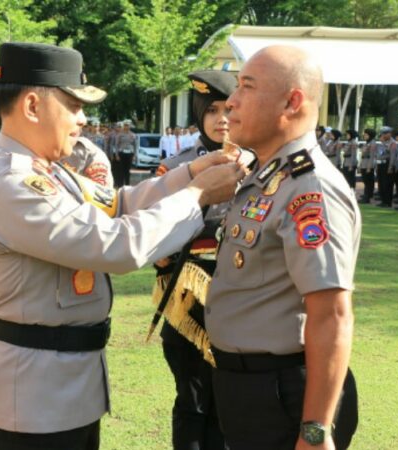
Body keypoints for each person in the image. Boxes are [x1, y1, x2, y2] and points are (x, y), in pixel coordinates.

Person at [0, 42, 243, 450]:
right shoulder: (14, 184)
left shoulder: (51, 172)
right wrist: (198, 194)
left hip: (62, 389)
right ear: (32, 106)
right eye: (73, 105)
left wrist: (189, 174)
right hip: (34, 400)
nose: (83, 119)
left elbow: (119, 205)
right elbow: (116, 247)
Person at [209, 45, 360, 450]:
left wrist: (315, 431)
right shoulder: (266, 176)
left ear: (292, 102)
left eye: (247, 87)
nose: (231, 101)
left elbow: (332, 316)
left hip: (283, 393)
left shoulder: (310, 187)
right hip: (247, 387)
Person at [152, 70, 244, 450]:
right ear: (198, 114)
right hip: (188, 302)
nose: (222, 119)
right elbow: (155, 234)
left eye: (229, 109)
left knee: (230, 407)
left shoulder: (261, 165)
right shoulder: (176, 169)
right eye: (212, 110)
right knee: (192, 403)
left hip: (241, 302)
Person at [0, 136, 114, 242]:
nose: (81, 119)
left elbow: (106, 212)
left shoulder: (86, 153)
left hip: (72, 268)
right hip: (12, 271)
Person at [375, 127, 397, 208]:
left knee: (387, 184)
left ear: (389, 134)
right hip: (380, 164)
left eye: (385, 133)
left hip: (387, 165)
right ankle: (383, 201)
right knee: (381, 184)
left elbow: (392, 156)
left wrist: (390, 167)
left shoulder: (392, 143)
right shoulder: (381, 142)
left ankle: (388, 202)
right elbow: (378, 154)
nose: (383, 135)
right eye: (382, 134)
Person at [114, 121, 137, 187]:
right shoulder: (120, 135)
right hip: (122, 153)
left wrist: (134, 155)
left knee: (128, 170)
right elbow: (116, 145)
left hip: (130, 153)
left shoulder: (133, 135)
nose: (126, 127)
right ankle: (121, 185)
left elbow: (135, 145)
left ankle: (127, 184)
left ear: (130, 126)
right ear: (124, 126)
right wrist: (117, 155)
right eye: (125, 125)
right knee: (121, 170)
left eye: (128, 125)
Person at [358, 128, 377, 204]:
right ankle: (367, 195)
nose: (364, 136)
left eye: (366, 135)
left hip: (368, 164)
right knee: (366, 182)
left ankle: (367, 197)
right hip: (364, 163)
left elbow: (372, 156)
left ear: (370, 135)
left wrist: (369, 167)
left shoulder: (372, 144)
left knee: (368, 182)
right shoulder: (367, 143)